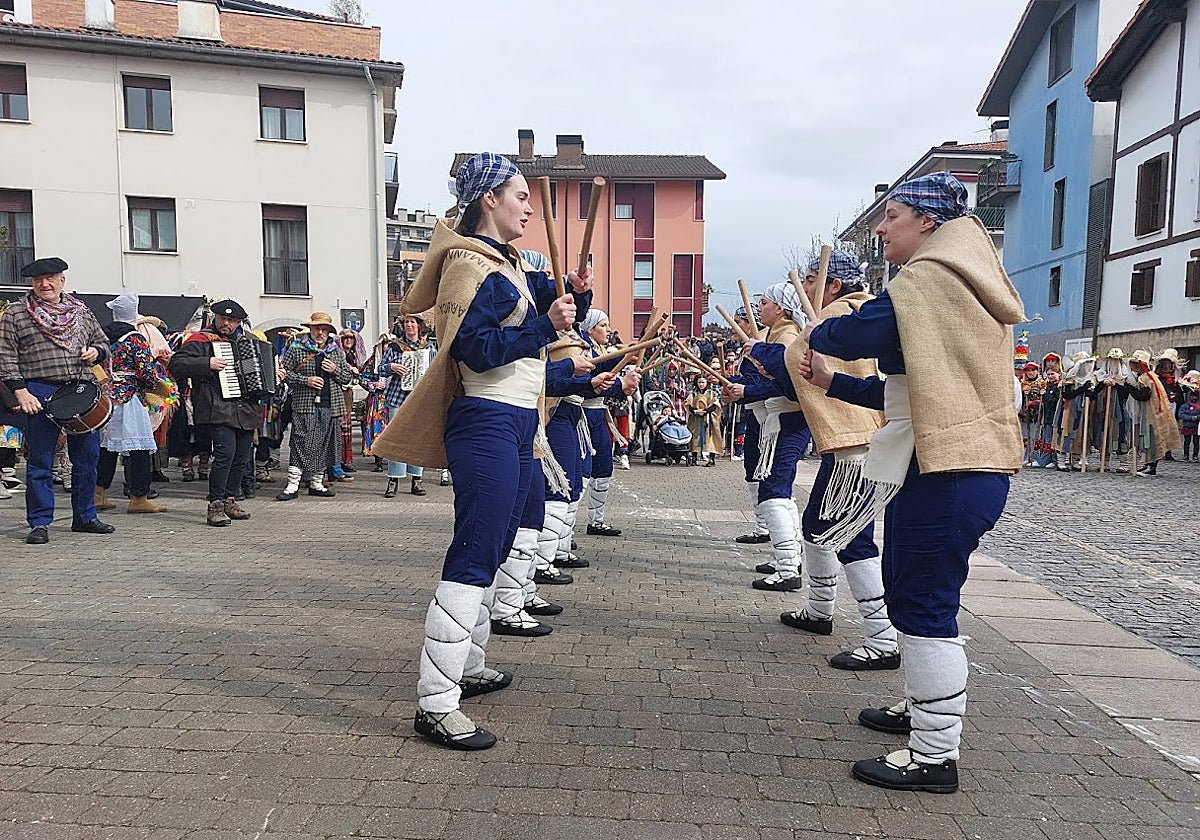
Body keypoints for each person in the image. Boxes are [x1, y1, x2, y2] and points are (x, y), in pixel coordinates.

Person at [800, 172, 1023, 793]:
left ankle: (933, 755)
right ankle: (922, 711)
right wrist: (833, 383)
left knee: (925, 606)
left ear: (927, 222)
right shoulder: (952, 280)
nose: (881, 228)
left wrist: (816, 330)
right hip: (944, 465)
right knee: (911, 591)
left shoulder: (929, 279)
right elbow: (907, 390)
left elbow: (855, 332)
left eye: (891, 216)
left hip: (947, 471)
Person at [369, 152, 591, 750]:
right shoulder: (470, 264)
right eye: (519, 193)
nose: (528, 205)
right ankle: (435, 705)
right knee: (474, 551)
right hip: (488, 418)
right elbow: (476, 350)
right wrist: (546, 324)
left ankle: (466, 665)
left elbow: (555, 319)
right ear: (489, 197)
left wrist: (577, 298)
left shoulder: (509, 265)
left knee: (499, 543)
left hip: (520, 422)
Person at [773, 250, 899, 672]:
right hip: (854, 444)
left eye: (811, 279)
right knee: (817, 527)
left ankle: (882, 638)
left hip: (857, 447)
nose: (804, 288)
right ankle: (819, 610)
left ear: (834, 285)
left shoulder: (846, 321)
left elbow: (795, 366)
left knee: (850, 538)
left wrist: (769, 351)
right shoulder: (851, 318)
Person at [0, 257, 114, 544]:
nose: (45, 284)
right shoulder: (16, 313)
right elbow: (6, 357)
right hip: (38, 389)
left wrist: (96, 353)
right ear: (31, 283)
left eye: (51, 278)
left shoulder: (81, 311)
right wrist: (20, 391)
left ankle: (85, 517)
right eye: (38, 279)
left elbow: (103, 343)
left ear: (62, 281)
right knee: (40, 460)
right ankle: (39, 523)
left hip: (80, 390)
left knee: (87, 458)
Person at [722, 282, 808, 592]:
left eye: (766, 303)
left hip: (788, 420)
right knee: (778, 490)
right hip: (778, 420)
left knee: (774, 491)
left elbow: (790, 386)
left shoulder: (786, 338)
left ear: (781, 309)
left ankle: (787, 569)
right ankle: (787, 557)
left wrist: (747, 390)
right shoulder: (777, 335)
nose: (760, 309)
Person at [167, 300, 262, 526]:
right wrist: (206, 362)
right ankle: (215, 504)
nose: (226, 324)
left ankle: (230, 499)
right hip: (217, 407)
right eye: (222, 319)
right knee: (224, 456)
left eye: (232, 320)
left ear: (239, 322)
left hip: (246, 409)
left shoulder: (248, 342)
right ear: (215, 318)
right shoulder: (201, 340)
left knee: (241, 458)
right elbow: (176, 364)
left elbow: (259, 371)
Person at [95, 310, 172, 515]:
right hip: (130, 398)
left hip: (106, 397)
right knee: (139, 448)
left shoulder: (102, 336)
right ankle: (139, 497)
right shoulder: (135, 339)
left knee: (107, 447)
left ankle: (98, 493)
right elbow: (146, 371)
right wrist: (157, 387)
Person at [276, 313, 357, 501]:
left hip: (331, 405)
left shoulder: (335, 351)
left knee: (324, 444)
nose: (320, 332)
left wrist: (334, 370)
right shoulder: (297, 349)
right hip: (305, 404)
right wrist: (306, 380)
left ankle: (316, 483)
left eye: (324, 329)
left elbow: (347, 378)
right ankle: (292, 484)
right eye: (316, 328)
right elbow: (284, 373)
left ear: (329, 331)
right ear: (310, 329)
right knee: (300, 442)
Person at [377, 314, 434, 497]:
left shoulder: (429, 347)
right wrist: (392, 367)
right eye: (406, 322)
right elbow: (381, 368)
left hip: (420, 399)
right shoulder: (395, 346)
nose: (409, 325)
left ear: (418, 325)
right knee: (396, 438)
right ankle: (393, 479)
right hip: (397, 397)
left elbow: (435, 369)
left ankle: (417, 479)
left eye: (412, 322)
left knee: (417, 440)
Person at [687, 373, 721, 466]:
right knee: (695, 438)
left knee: (710, 438)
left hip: (709, 419)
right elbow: (688, 405)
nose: (701, 384)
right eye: (699, 382)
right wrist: (695, 411)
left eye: (703, 382)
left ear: (707, 383)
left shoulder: (711, 393)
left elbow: (715, 405)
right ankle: (694, 457)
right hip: (696, 419)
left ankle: (711, 458)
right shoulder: (693, 394)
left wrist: (705, 411)